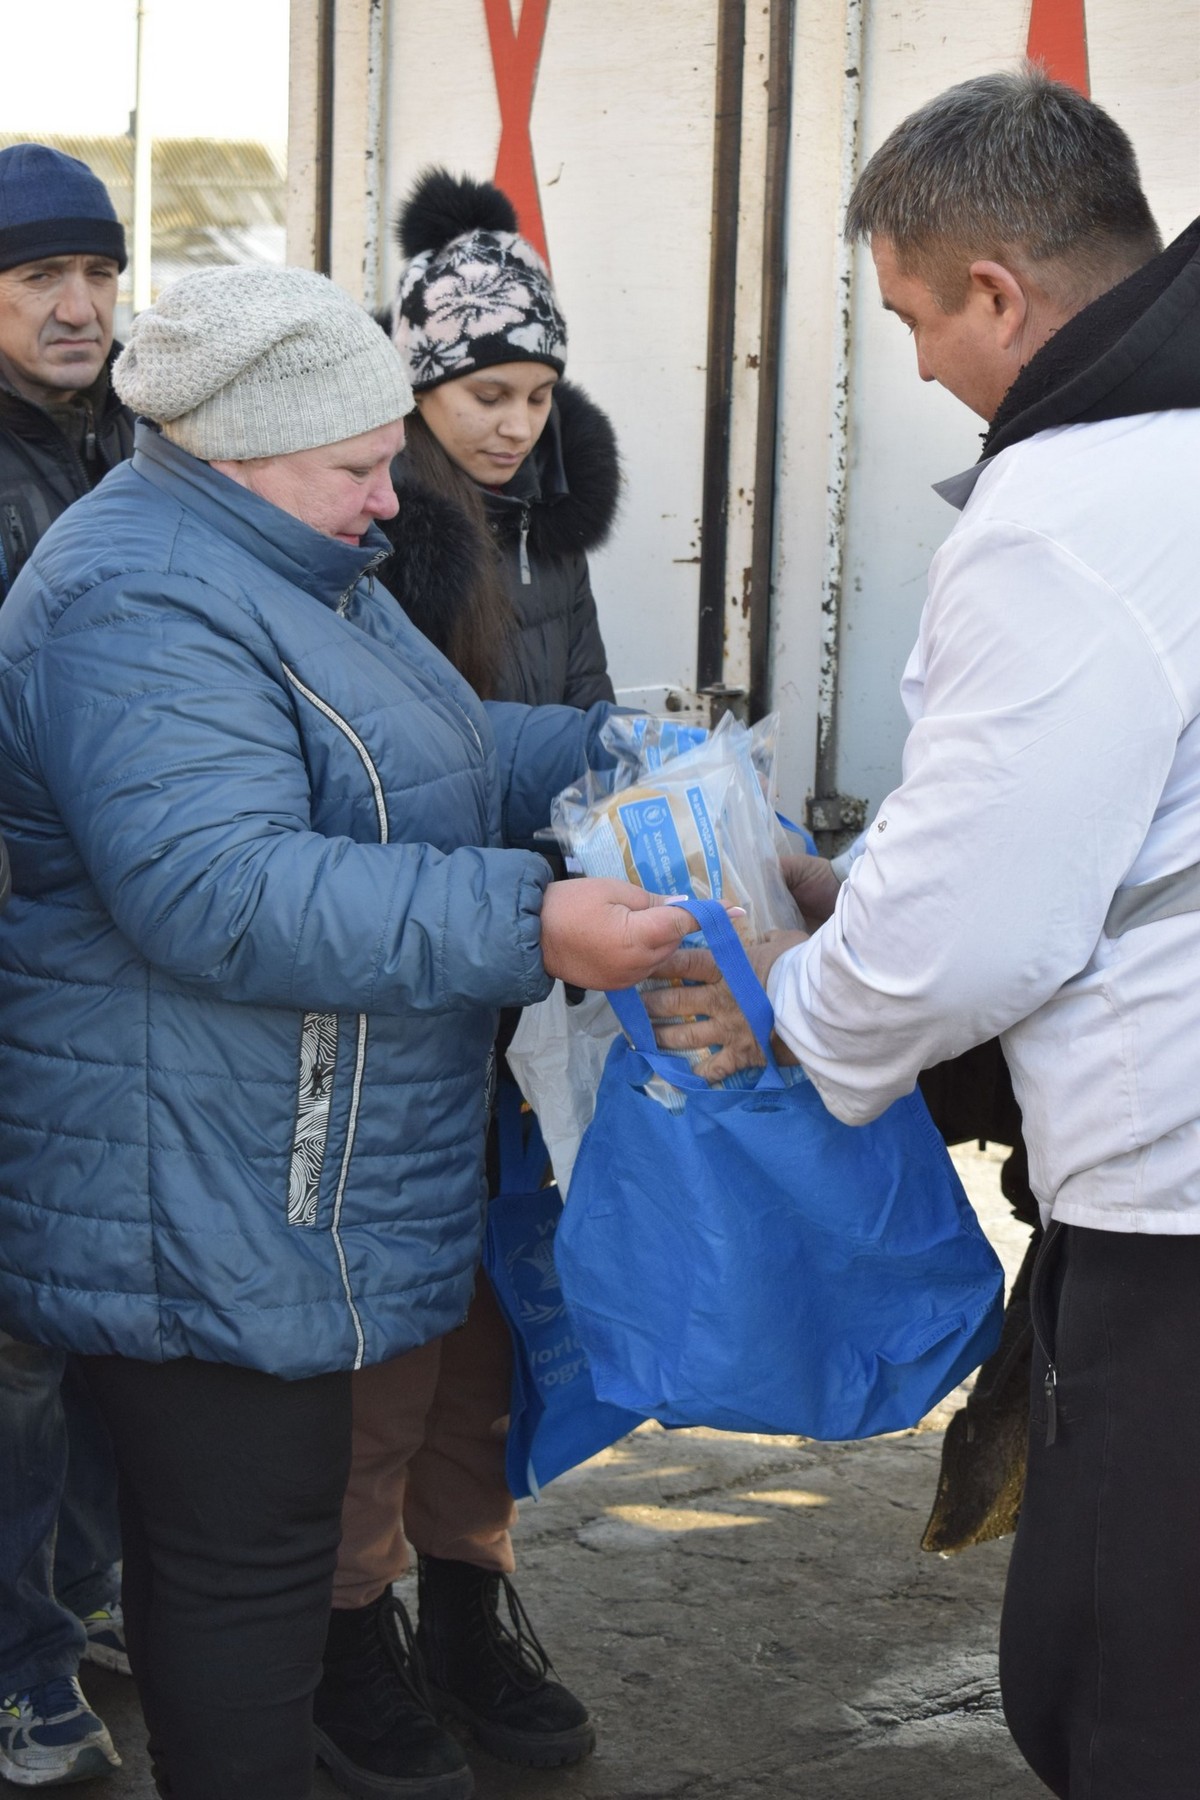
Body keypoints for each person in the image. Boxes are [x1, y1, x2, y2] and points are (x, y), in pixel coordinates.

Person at [0, 261, 703, 1800]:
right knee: (240, 1582)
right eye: (361, 465)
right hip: (189, 1177)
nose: (394, 499)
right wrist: (530, 922)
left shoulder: (292, 563)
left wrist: (611, 745)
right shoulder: (134, 596)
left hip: (282, 1168)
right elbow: (219, 891)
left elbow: (435, 747)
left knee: (262, 1551)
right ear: (239, 446)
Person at [646, 66, 1200, 1799]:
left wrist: (791, 1013)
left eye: (911, 318)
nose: (921, 370)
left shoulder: (1075, 510)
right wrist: (870, 885)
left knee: (1118, 1681)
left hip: (1176, 1201)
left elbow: (976, 924)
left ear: (999, 294)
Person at [312, 170, 619, 1800]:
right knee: (397, 1328)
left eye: (540, 395)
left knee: (502, 1312)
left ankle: (469, 1604)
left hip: (533, 996)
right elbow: (406, 776)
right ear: (418, 389)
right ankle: (345, 1629)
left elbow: (580, 719)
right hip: (411, 978)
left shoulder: (548, 529)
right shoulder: (372, 534)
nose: (516, 426)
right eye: (488, 394)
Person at [0, 140, 134, 1789]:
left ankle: (79, 1598)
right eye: (38, 277)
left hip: (108, 941)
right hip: (25, 933)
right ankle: (22, 1667)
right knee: (21, 1337)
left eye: (95, 274)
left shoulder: (129, 447)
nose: (78, 305)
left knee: (85, 1306)